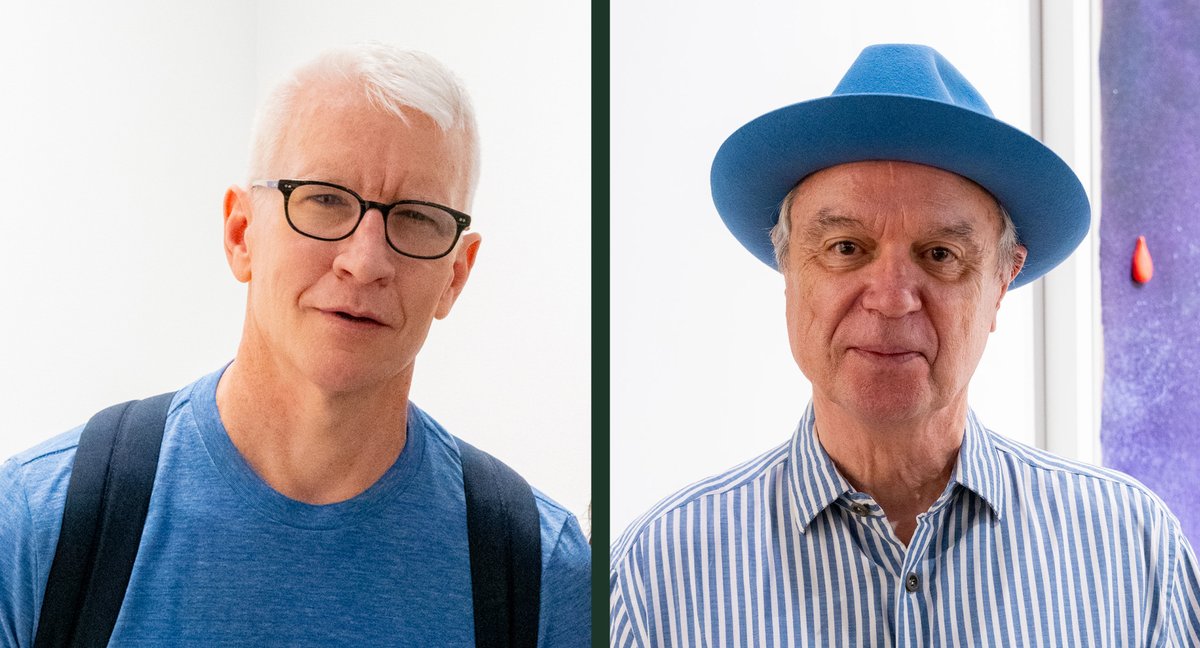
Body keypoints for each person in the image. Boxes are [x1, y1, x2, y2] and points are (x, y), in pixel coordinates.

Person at [610, 44, 1200, 647]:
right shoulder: (657, 579)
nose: (891, 298)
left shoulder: (1134, 556)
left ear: (1002, 283)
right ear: (788, 269)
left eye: (940, 255)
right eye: (845, 247)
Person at [0, 43, 589, 647]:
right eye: (326, 199)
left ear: (457, 275)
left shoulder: (541, 572)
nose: (365, 262)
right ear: (241, 233)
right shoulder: (37, 524)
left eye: (416, 217)